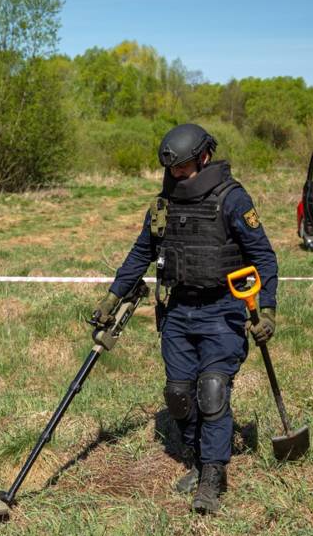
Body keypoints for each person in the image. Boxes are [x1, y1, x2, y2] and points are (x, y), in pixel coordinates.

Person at [92, 123, 279, 515]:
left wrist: (268, 310)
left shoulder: (232, 199)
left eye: (183, 167)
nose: (176, 174)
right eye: (172, 169)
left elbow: (264, 256)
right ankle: (197, 456)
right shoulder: (163, 205)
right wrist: (111, 298)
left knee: (212, 391)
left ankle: (213, 475)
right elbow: (139, 254)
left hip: (223, 310)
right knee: (178, 395)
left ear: (204, 158)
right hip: (177, 311)